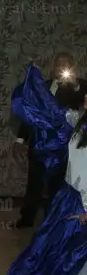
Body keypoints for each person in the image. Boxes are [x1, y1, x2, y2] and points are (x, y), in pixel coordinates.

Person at [0, 63, 87, 275]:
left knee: (68, 258)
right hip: (67, 199)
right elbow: (51, 114)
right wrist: (34, 88)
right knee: (44, 248)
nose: (86, 98)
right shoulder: (78, 123)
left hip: (81, 205)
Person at [12, 53, 85, 228]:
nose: (62, 67)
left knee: (56, 186)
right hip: (39, 144)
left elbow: (82, 105)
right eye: (59, 64)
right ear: (53, 67)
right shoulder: (42, 86)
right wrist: (20, 139)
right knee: (34, 183)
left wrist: (75, 84)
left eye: (66, 64)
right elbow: (31, 114)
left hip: (62, 147)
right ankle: (26, 219)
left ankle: (51, 222)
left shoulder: (78, 87)